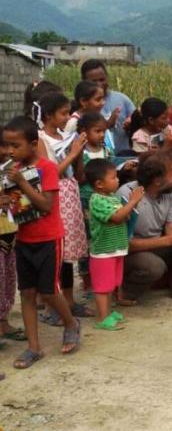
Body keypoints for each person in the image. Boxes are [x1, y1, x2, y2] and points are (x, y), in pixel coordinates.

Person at [2, 116, 80, 369]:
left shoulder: (46, 168)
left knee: (49, 291)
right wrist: (5, 201)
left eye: (16, 146)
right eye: (7, 145)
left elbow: (46, 205)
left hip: (49, 238)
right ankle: (33, 347)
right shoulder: (11, 170)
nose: (10, 151)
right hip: (24, 239)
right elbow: (15, 204)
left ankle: (70, 323)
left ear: (33, 144)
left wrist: (22, 183)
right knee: (26, 293)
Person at [35, 92, 93, 322]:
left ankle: (68, 300)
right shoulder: (40, 139)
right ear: (49, 115)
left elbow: (78, 175)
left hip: (70, 193)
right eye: (63, 113)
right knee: (55, 252)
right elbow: (48, 174)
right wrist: (73, 153)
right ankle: (53, 305)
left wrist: (79, 155)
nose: (68, 117)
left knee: (68, 253)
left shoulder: (66, 137)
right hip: (54, 195)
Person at [118, 151, 172, 303]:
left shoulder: (169, 191)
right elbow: (122, 244)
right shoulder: (128, 195)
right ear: (157, 181)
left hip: (155, 245)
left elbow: (171, 228)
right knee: (154, 266)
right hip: (127, 253)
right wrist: (169, 240)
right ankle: (124, 292)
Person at [85, 159, 145, 330]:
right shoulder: (97, 200)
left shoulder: (112, 197)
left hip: (116, 248)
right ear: (99, 184)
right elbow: (117, 217)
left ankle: (109, 312)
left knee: (111, 284)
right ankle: (103, 318)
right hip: (103, 251)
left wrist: (131, 205)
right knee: (102, 287)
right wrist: (132, 202)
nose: (117, 180)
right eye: (113, 178)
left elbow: (123, 215)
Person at [0, 127, 24, 346]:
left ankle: (3, 321)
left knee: (7, 280)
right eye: (4, 145)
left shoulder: (10, 171)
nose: (8, 151)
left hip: (9, 232)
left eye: (11, 146)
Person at [81, 59, 136, 153]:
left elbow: (138, 122)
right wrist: (108, 123)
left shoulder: (122, 99)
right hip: (95, 158)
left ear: (107, 77)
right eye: (93, 81)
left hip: (124, 156)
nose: (99, 84)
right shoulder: (82, 106)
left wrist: (132, 124)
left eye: (102, 79)